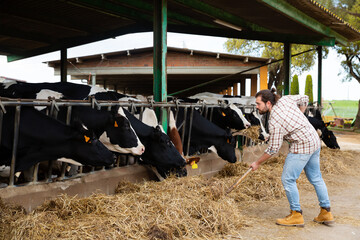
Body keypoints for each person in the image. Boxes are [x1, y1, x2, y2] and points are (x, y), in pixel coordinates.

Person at [250, 89, 334, 227]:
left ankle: (296, 214)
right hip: (314, 139)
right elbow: (305, 98)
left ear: (268, 103)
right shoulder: (286, 100)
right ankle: (326, 212)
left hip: (301, 145)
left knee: (288, 179)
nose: (257, 107)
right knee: (316, 177)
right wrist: (301, 114)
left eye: (259, 104)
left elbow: (273, 149)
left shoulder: (274, 121)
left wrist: (257, 163)